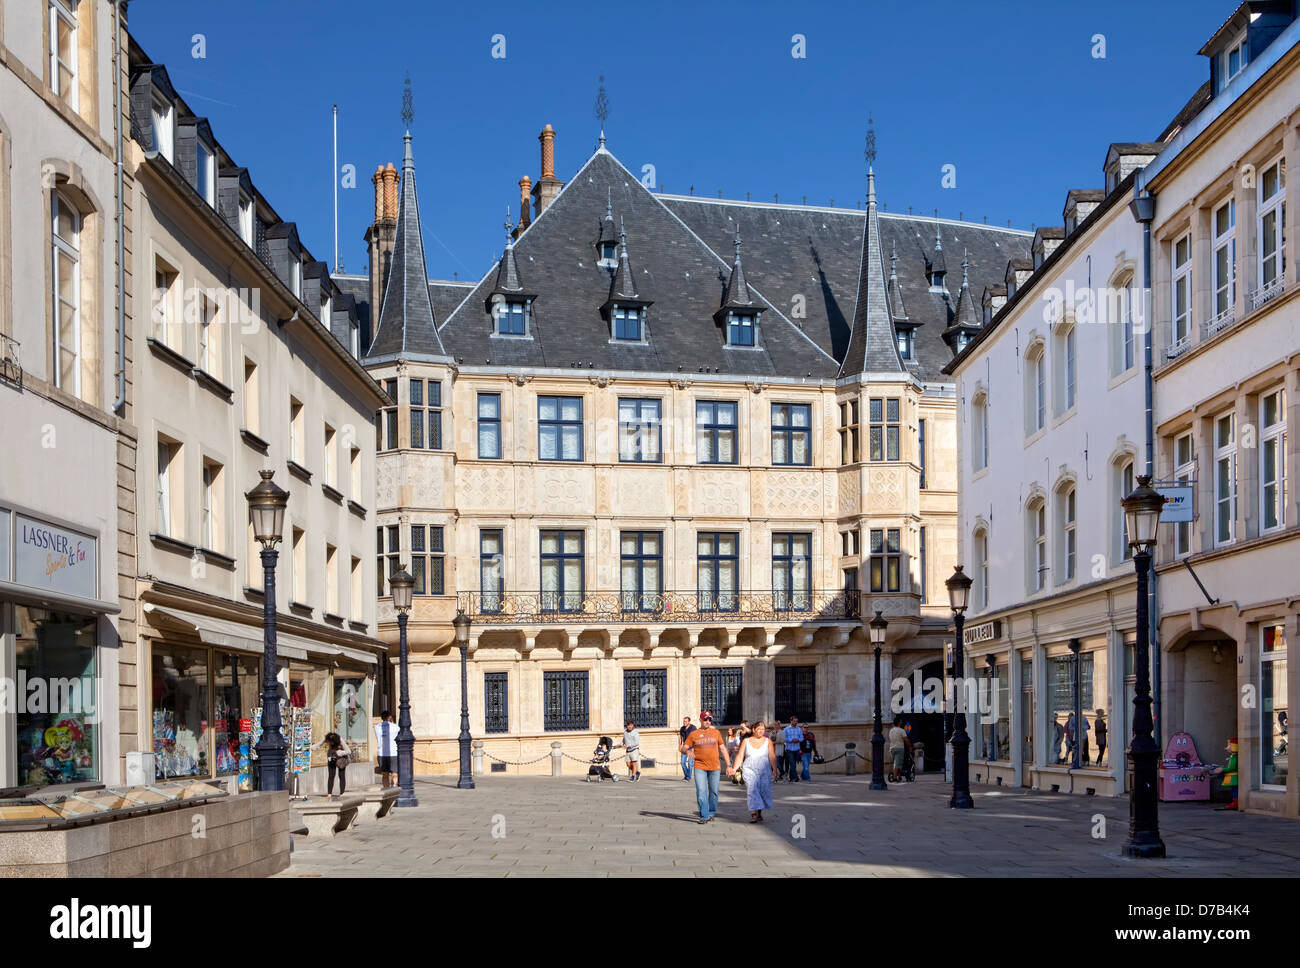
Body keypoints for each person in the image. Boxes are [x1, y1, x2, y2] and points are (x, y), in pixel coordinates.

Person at [679, 710, 733, 823]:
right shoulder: (694, 734)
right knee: (701, 790)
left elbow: (723, 749)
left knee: (714, 791)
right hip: (700, 767)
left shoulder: (716, 733)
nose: (707, 721)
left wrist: (729, 765)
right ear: (700, 720)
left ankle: (711, 812)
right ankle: (704, 816)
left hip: (715, 767)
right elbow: (683, 748)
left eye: (709, 719)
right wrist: (687, 751)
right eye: (705, 719)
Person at [734, 721, 778, 822]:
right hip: (749, 769)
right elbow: (740, 756)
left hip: (764, 771)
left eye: (763, 729)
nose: (761, 731)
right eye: (759, 729)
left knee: (762, 791)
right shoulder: (746, 741)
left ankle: (759, 813)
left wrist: (775, 770)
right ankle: (753, 813)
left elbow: (772, 756)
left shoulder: (768, 741)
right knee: (752, 789)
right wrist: (734, 768)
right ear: (754, 730)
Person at [314, 731, 351, 799]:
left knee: (341, 776)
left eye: (331, 743)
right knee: (331, 776)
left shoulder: (340, 739)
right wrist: (309, 748)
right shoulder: (327, 738)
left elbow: (348, 751)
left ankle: (342, 793)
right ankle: (329, 793)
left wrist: (339, 752)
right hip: (331, 758)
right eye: (328, 742)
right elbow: (318, 744)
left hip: (341, 760)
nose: (329, 743)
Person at [372, 710, 399, 788]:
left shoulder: (377, 727)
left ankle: (386, 789)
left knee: (385, 774)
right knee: (394, 773)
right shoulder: (395, 727)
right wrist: (392, 721)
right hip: (393, 752)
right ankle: (394, 786)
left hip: (382, 753)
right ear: (389, 717)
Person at [782, 717, 805, 782]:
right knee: (792, 763)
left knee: (794, 764)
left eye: (796, 721)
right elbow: (784, 739)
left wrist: (798, 740)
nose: (796, 722)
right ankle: (796, 777)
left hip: (797, 749)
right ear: (791, 721)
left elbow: (802, 738)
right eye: (794, 721)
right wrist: (791, 740)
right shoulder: (786, 729)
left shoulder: (799, 729)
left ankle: (792, 778)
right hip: (789, 749)